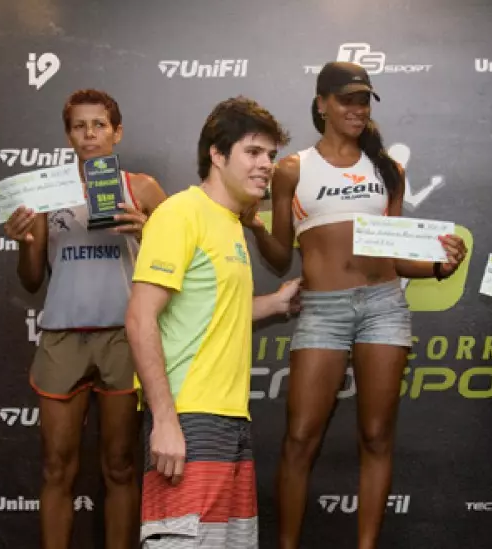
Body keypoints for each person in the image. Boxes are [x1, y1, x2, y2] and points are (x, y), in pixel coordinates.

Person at [245, 61, 468, 549]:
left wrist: (438, 265)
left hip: (384, 306)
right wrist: (257, 226)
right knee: (300, 438)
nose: (357, 109)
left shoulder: (388, 170)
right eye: (347, 99)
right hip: (322, 310)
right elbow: (280, 258)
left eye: (364, 100)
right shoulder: (292, 170)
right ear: (321, 103)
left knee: (376, 436)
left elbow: (396, 256)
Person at [125, 96, 299, 549]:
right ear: (217, 155)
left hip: (231, 419)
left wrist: (275, 303)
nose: (266, 165)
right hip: (189, 419)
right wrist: (165, 420)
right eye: (253, 152)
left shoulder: (231, 223)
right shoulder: (181, 213)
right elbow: (140, 317)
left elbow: (213, 310)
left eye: (271, 155)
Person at [2, 88, 167, 549]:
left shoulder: (142, 188)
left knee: (120, 466)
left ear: (117, 132)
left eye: (99, 125)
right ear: (68, 135)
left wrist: (150, 230)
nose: (89, 134)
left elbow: (181, 262)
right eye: (79, 126)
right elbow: (32, 280)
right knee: (57, 468)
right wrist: (25, 243)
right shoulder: (45, 194)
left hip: (123, 337)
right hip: (63, 336)